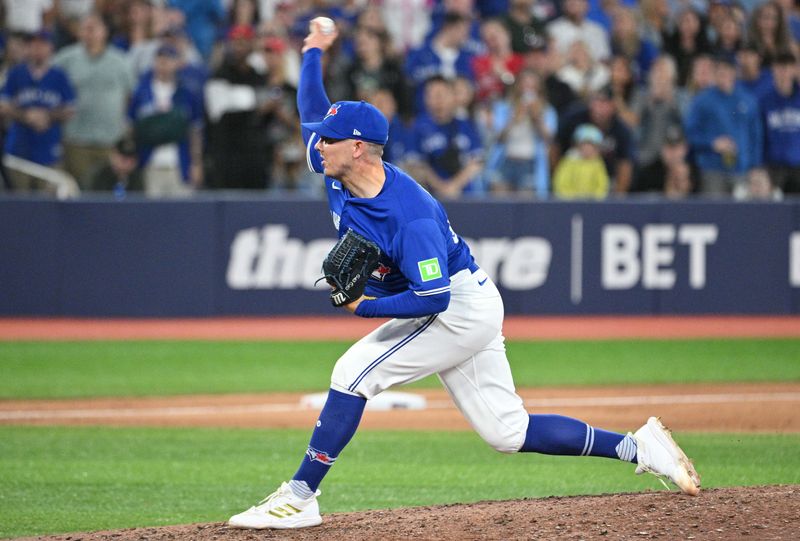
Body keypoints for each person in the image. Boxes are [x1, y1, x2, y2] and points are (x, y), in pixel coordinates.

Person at [227, 19, 701, 531]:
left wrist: (365, 307)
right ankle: (639, 446)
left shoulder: (408, 217)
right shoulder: (335, 164)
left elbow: (433, 298)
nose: (317, 145)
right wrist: (315, 51)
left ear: (359, 147)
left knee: (352, 374)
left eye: (330, 140)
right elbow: (309, 107)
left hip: (456, 307)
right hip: (467, 300)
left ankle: (300, 495)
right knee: (507, 431)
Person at [54, 12, 135, 187]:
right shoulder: (65, 59)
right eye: (85, 28)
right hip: (76, 140)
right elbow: (51, 90)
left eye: (94, 28)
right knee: (80, 189)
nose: (89, 32)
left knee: (106, 192)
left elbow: (129, 96)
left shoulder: (120, 61)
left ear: (105, 31)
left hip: (110, 141)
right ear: (79, 32)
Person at [0, 30, 75, 190]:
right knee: (19, 204)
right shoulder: (16, 73)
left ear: (50, 48)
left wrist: (47, 116)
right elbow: (3, 105)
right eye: (33, 45)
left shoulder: (59, 75)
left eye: (42, 45)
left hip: (49, 149)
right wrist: (26, 115)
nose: (38, 49)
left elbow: (70, 109)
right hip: (19, 149)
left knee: (48, 205)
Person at [128, 43, 204, 196]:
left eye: (168, 60)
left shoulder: (186, 94)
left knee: (183, 213)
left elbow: (195, 130)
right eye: (160, 60)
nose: (163, 64)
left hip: (179, 163)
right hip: (150, 163)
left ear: (177, 63)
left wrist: (196, 163)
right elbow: (130, 126)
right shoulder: (142, 92)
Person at [684, 52, 763, 195]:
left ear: (734, 71)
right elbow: (690, 134)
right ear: (714, 72)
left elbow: (756, 136)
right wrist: (712, 143)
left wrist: (755, 166)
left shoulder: (748, 100)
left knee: (743, 214)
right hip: (712, 169)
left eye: (727, 69)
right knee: (713, 214)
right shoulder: (702, 100)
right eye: (719, 69)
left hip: (742, 169)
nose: (723, 73)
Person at [758, 51, 800, 194]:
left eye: (788, 67)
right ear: (773, 70)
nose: (784, 72)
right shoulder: (764, 101)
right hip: (774, 167)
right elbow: (760, 135)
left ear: (794, 69)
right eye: (780, 67)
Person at [552, 123, 610, 199]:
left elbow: (602, 184)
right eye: (584, 145)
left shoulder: (598, 163)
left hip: (593, 204)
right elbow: (561, 182)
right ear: (578, 145)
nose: (588, 149)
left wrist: (596, 197)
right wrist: (571, 197)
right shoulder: (569, 161)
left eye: (591, 146)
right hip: (570, 203)